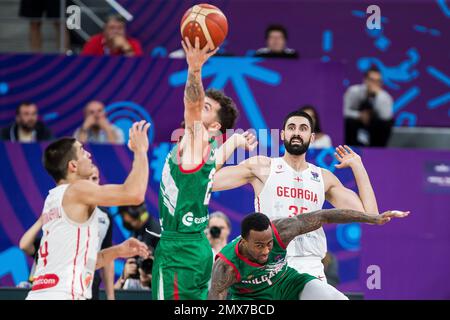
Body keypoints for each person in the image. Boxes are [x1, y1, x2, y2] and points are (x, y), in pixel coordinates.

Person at [213, 110, 379, 284]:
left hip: (312, 267)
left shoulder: (324, 177)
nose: (297, 132)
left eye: (303, 128)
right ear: (283, 134)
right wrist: (231, 142)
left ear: (312, 137)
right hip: (271, 265)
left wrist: (358, 166)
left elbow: (371, 215)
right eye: (291, 128)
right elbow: (209, 181)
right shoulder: (263, 166)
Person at [151, 36, 257, 300]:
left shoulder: (197, 139)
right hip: (197, 246)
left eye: (207, 108)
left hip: (179, 251)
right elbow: (212, 167)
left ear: (213, 127)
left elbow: (191, 105)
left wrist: (194, 69)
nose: (200, 109)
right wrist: (233, 142)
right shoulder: (204, 152)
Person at [26, 120, 151, 300]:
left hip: (43, 293)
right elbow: (135, 194)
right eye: (82, 151)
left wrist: (117, 251)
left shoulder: (52, 199)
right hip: (62, 295)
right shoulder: (77, 190)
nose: (89, 154)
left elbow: (85, 263)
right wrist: (140, 151)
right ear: (73, 166)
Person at [208, 210, 409, 300]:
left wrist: (372, 218)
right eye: (259, 246)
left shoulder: (282, 230)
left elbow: (325, 216)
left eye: (269, 244)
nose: (266, 250)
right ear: (243, 241)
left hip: (288, 283)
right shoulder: (226, 266)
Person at [344, 66, 394, 147]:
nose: (374, 84)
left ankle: (378, 151)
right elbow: (343, 111)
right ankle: (349, 148)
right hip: (355, 123)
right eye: (372, 80)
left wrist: (377, 96)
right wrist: (359, 115)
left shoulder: (385, 97)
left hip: (374, 126)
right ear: (365, 80)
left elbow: (386, 118)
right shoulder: (353, 91)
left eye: (378, 81)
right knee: (348, 122)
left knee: (386, 124)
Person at [88, 165, 115, 300]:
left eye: (94, 178)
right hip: (66, 282)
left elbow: (107, 257)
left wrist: (110, 296)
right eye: (86, 179)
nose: (91, 183)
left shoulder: (105, 217)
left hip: (91, 281)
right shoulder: (66, 210)